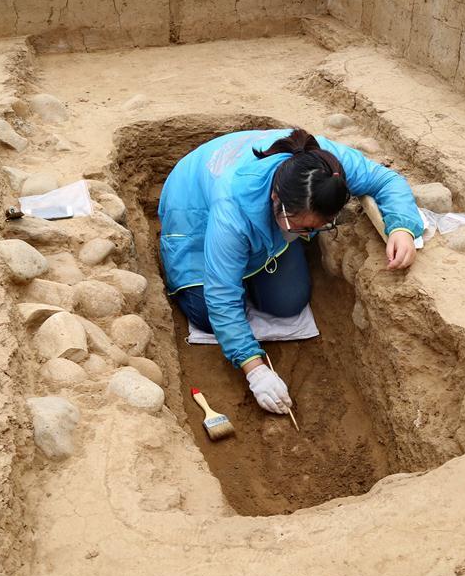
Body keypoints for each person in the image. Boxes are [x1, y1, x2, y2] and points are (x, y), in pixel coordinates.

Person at [158, 128, 423, 414]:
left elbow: (387, 181)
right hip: (193, 208)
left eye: (316, 227)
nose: (309, 233)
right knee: (207, 314)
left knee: (289, 302)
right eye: (303, 228)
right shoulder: (231, 207)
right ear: (276, 198)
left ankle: (255, 266)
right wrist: (255, 369)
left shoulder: (326, 169)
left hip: (260, 214)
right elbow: (221, 294)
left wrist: (401, 227)